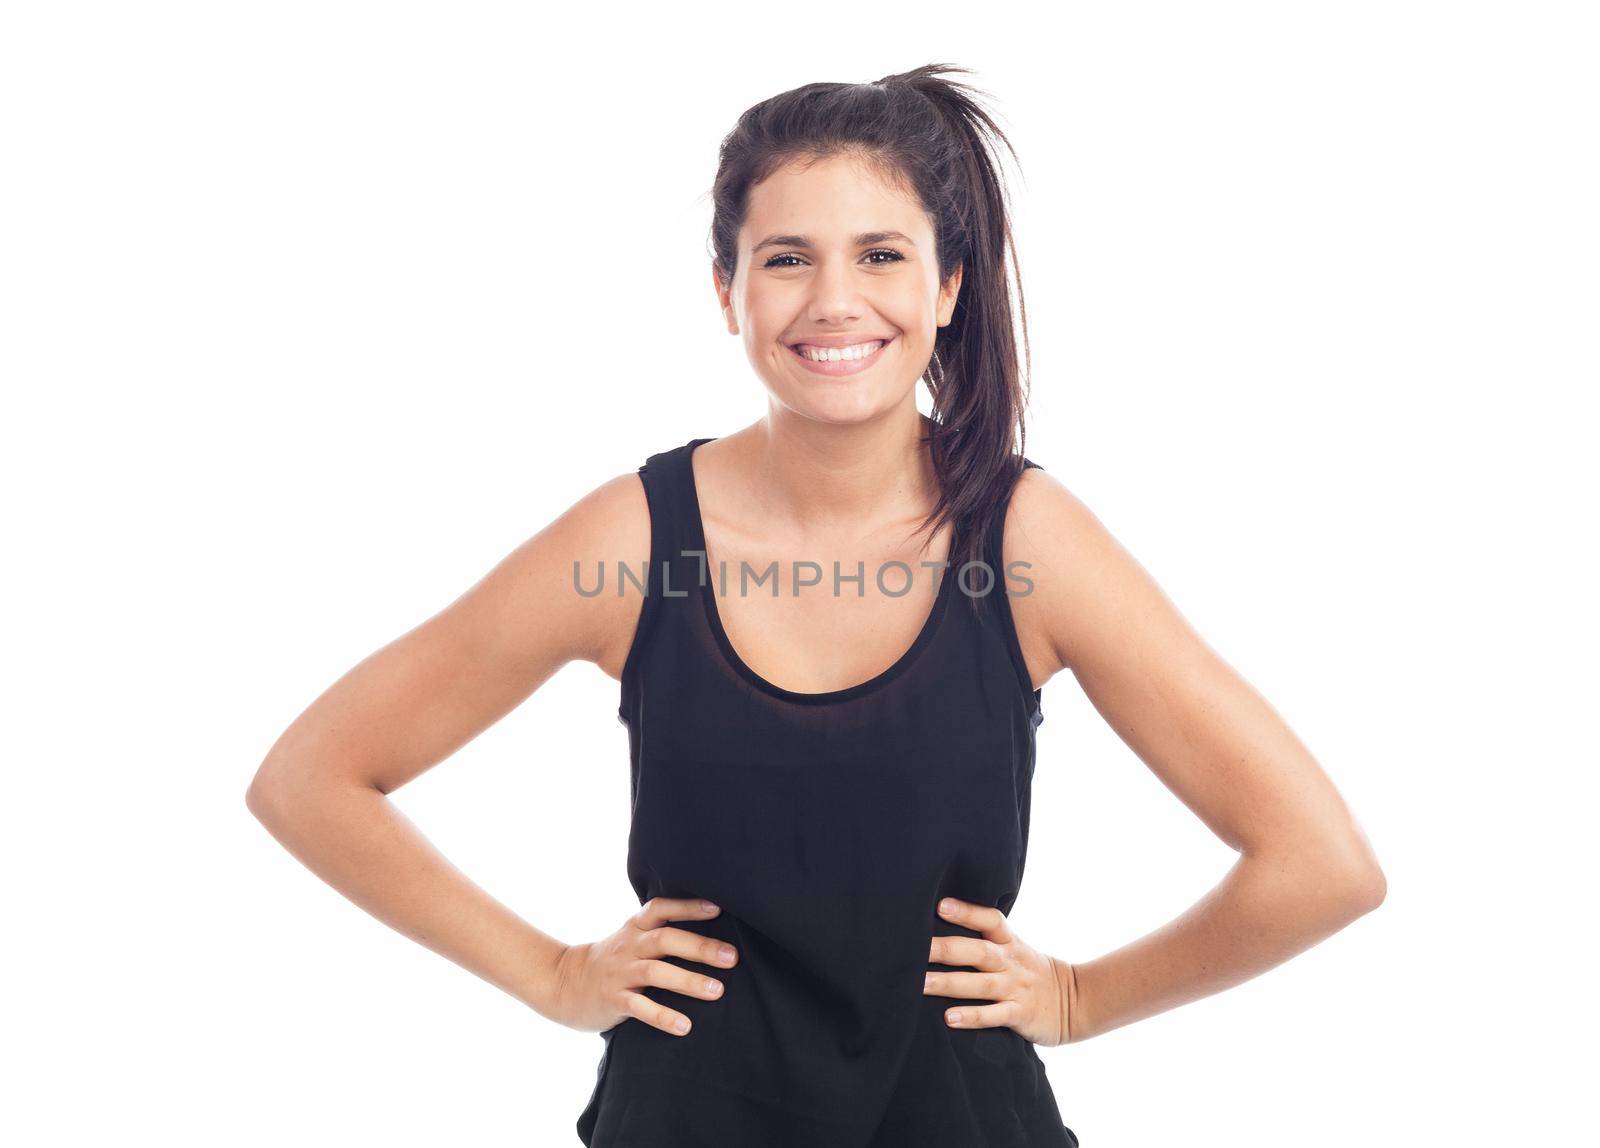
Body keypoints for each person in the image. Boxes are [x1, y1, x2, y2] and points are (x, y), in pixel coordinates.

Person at [246, 63, 1386, 1147]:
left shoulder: (1028, 541)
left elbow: (1317, 862)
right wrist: (552, 972)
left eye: (881, 254)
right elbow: (311, 777)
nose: (834, 301)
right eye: (786, 257)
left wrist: (1082, 997)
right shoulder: (636, 540)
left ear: (944, 288)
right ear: (725, 292)